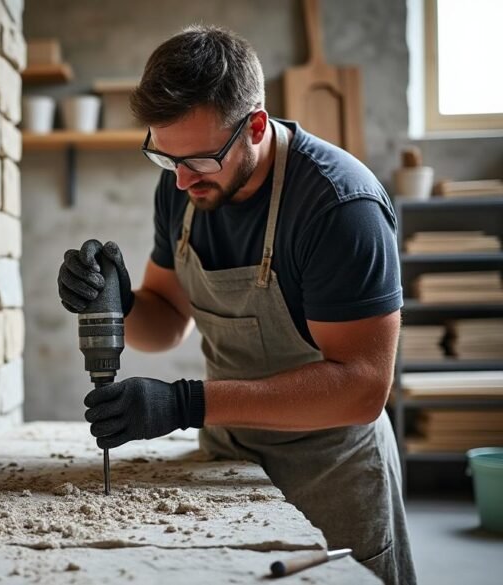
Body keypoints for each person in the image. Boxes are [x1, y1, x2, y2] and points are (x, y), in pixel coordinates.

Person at [56, 25, 415, 585]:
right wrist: (120, 302)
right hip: (230, 457)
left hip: (331, 469)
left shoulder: (340, 207)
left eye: (198, 159)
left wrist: (185, 405)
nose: (179, 180)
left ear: (254, 125)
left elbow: (363, 387)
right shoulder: (182, 185)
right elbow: (166, 326)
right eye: (162, 156)